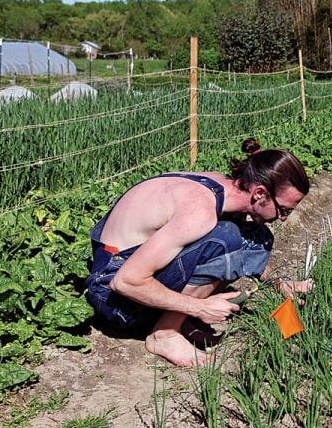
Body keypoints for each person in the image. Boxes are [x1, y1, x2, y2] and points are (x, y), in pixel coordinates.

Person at [85, 138, 313, 366]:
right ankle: (164, 334)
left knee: (254, 238)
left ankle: (178, 320)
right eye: (283, 210)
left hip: (121, 264)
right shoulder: (198, 211)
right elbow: (125, 282)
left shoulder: (220, 186)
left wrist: (279, 282)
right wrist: (201, 307)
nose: (282, 218)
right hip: (113, 296)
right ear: (260, 193)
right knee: (226, 239)